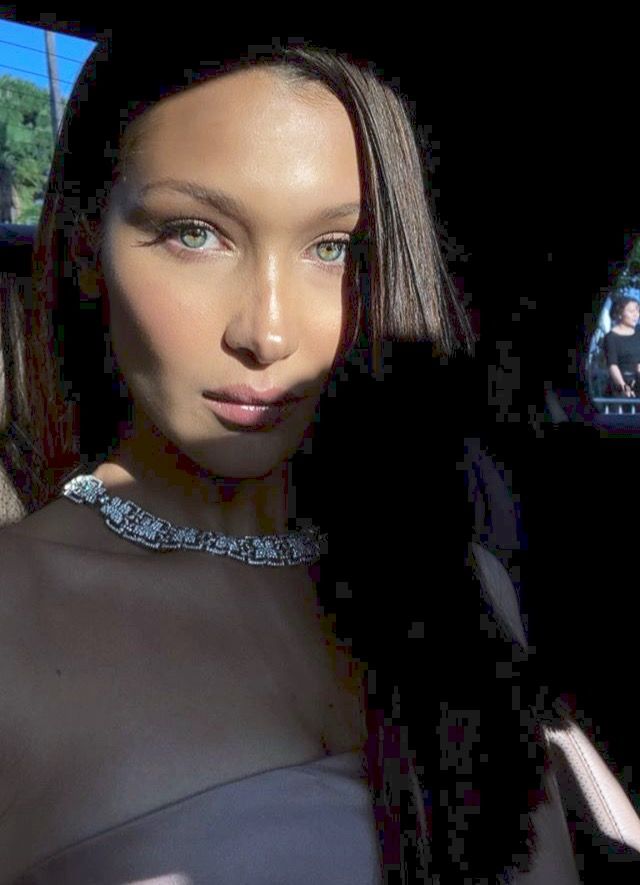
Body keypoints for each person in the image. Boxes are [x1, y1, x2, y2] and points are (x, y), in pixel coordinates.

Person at [0, 34, 567, 883]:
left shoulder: (463, 588)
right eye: (196, 233)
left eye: (336, 248)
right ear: (86, 247)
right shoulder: (14, 615)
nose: (267, 331)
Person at [603, 295, 640, 399]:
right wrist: (624, 387)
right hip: (619, 389)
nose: (636, 315)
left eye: (637, 311)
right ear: (619, 313)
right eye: (631, 311)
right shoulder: (610, 337)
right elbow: (612, 365)